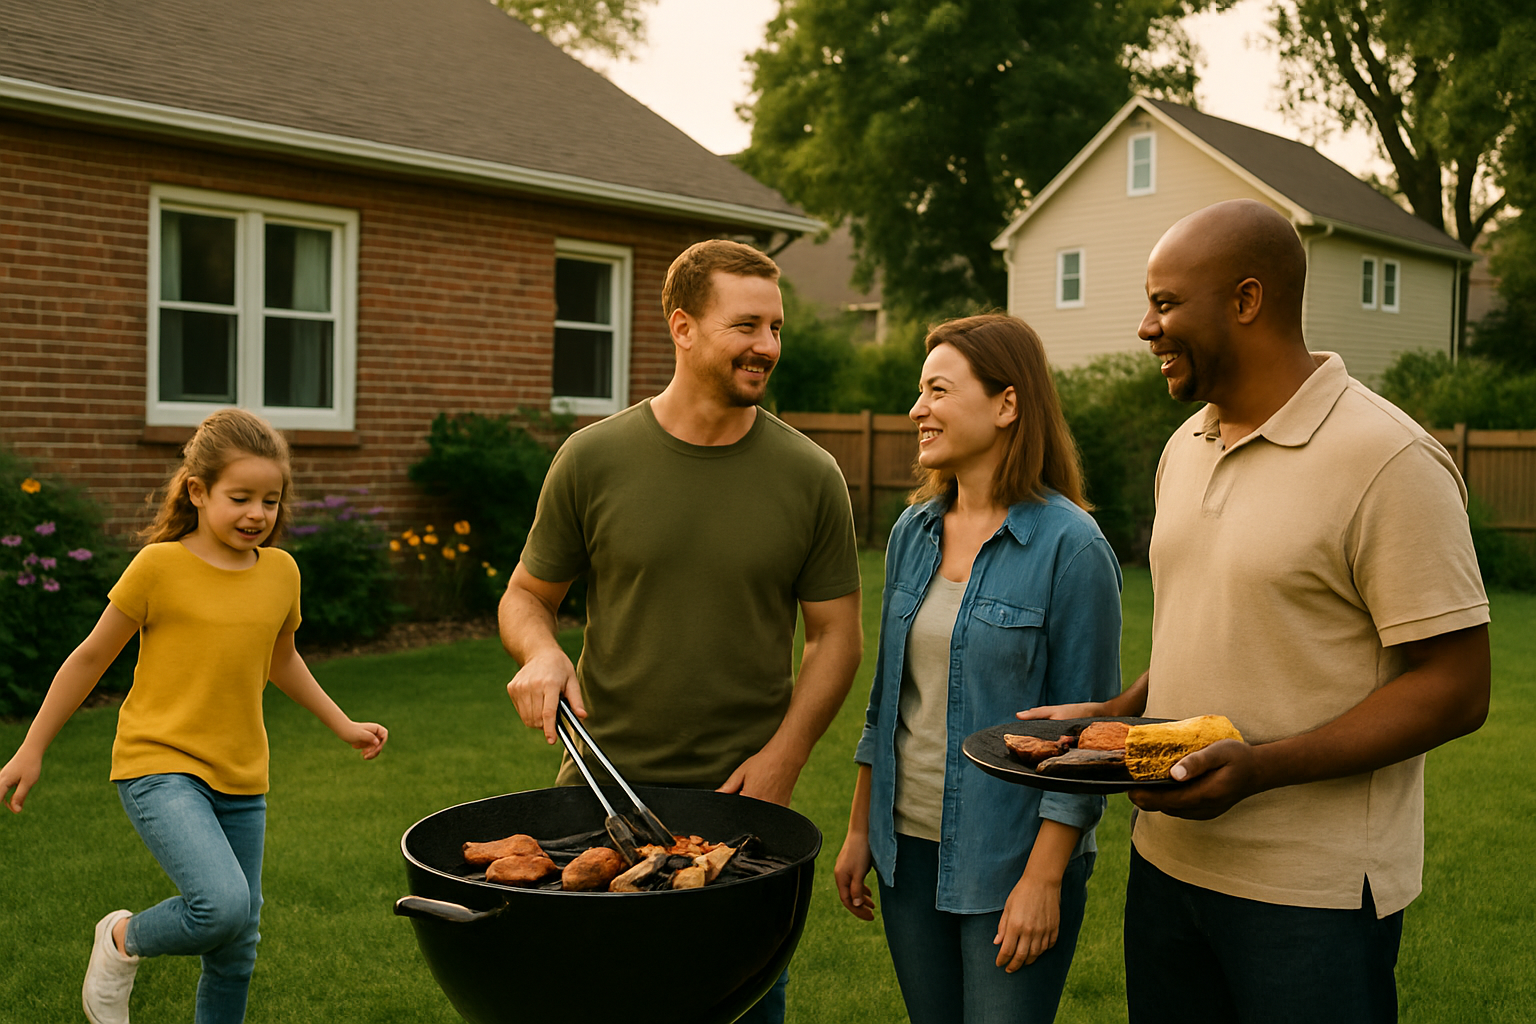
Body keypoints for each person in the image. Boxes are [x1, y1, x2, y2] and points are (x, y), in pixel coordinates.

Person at [1022, 199, 1491, 1023]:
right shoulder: (1185, 447)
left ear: (1245, 301)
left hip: (1312, 896)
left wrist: (1261, 767)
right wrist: (1113, 712)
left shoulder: (1388, 460)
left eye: (1166, 304)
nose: (1145, 328)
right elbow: (1212, 629)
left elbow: (1456, 686)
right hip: (1167, 866)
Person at [499, 238, 863, 1023]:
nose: (766, 346)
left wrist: (783, 760)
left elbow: (837, 638)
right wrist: (541, 652)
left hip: (743, 813)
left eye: (775, 328)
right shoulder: (592, 459)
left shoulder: (811, 476)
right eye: (746, 326)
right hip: (600, 796)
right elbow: (527, 595)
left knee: (743, 1004)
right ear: (683, 327)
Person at [0, 408, 388, 1024]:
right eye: (240, 498)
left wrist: (341, 723)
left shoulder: (282, 572)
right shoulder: (159, 567)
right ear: (198, 491)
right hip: (159, 763)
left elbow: (281, 660)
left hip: (242, 775)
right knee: (222, 905)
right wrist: (31, 748)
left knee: (236, 950)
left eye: (270, 499)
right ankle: (123, 938)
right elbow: (90, 658)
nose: (257, 514)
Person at [834, 314, 1123, 1023]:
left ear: (1006, 403)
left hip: (1011, 860)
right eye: (919, 392)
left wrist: (1044, 878)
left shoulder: (1072, 547)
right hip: (907, 850)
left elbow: (1086, 740)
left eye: (938, 390)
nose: (917, 411)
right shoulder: (913, 531)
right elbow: (888, 699)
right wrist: (860, 828)